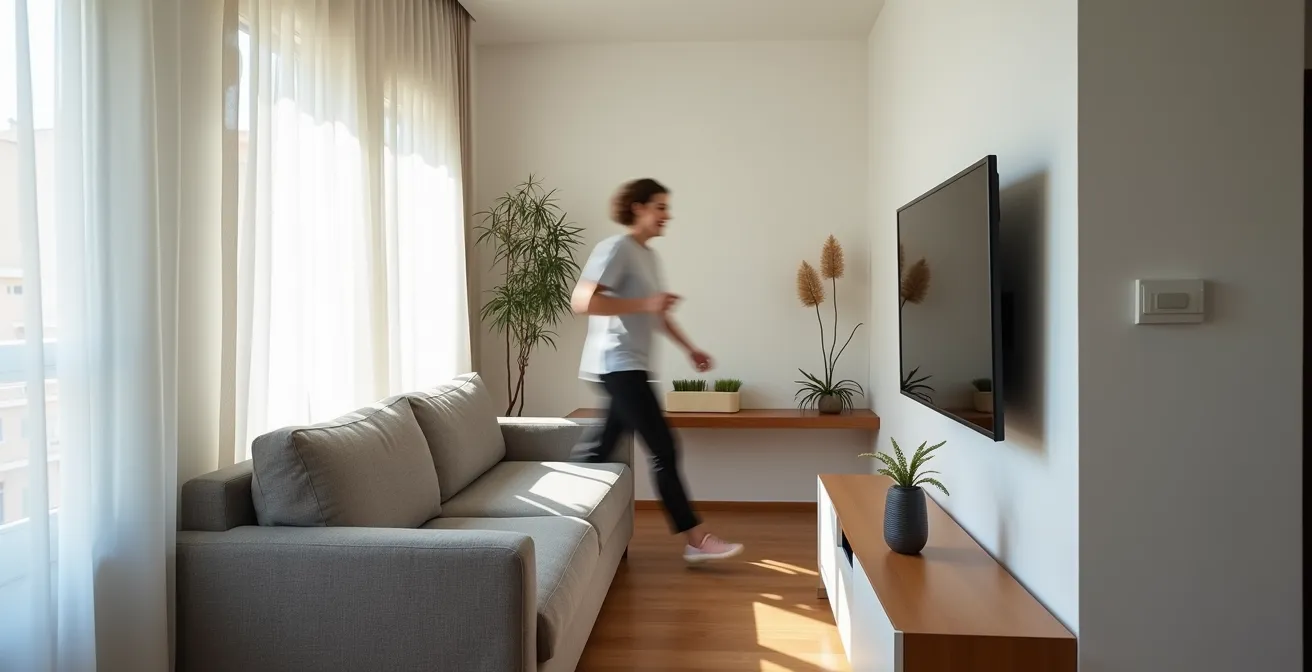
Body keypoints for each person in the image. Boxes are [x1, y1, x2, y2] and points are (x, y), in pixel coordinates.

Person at [570, 178, 744, 564]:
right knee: (664, 448)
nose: (667, 215)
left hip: (632, 366)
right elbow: (582, 301)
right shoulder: (615, 248)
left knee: (600, 449)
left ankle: (562, 512)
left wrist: (690, 349)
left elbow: (656, 312)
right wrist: (644, 303)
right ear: (638, 208)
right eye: (660, 207)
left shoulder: (648, 257)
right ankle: (696, 539)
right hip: (615, 364)